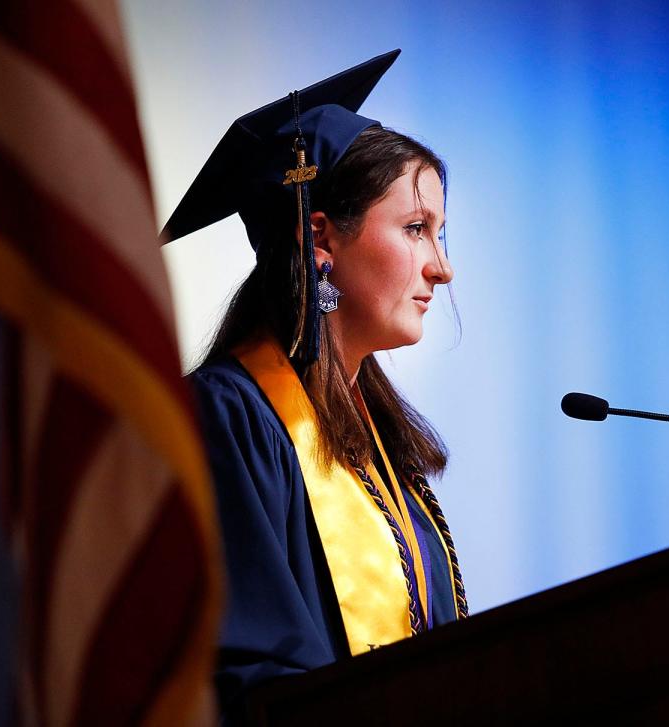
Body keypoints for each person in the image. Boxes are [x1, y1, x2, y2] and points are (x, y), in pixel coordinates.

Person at [162, 50, 468, 722]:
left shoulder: (379, 446)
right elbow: (247, 673)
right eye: (416, 229)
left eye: (440, 233)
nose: (442, 269)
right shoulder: (228, 417)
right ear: (319, 235)